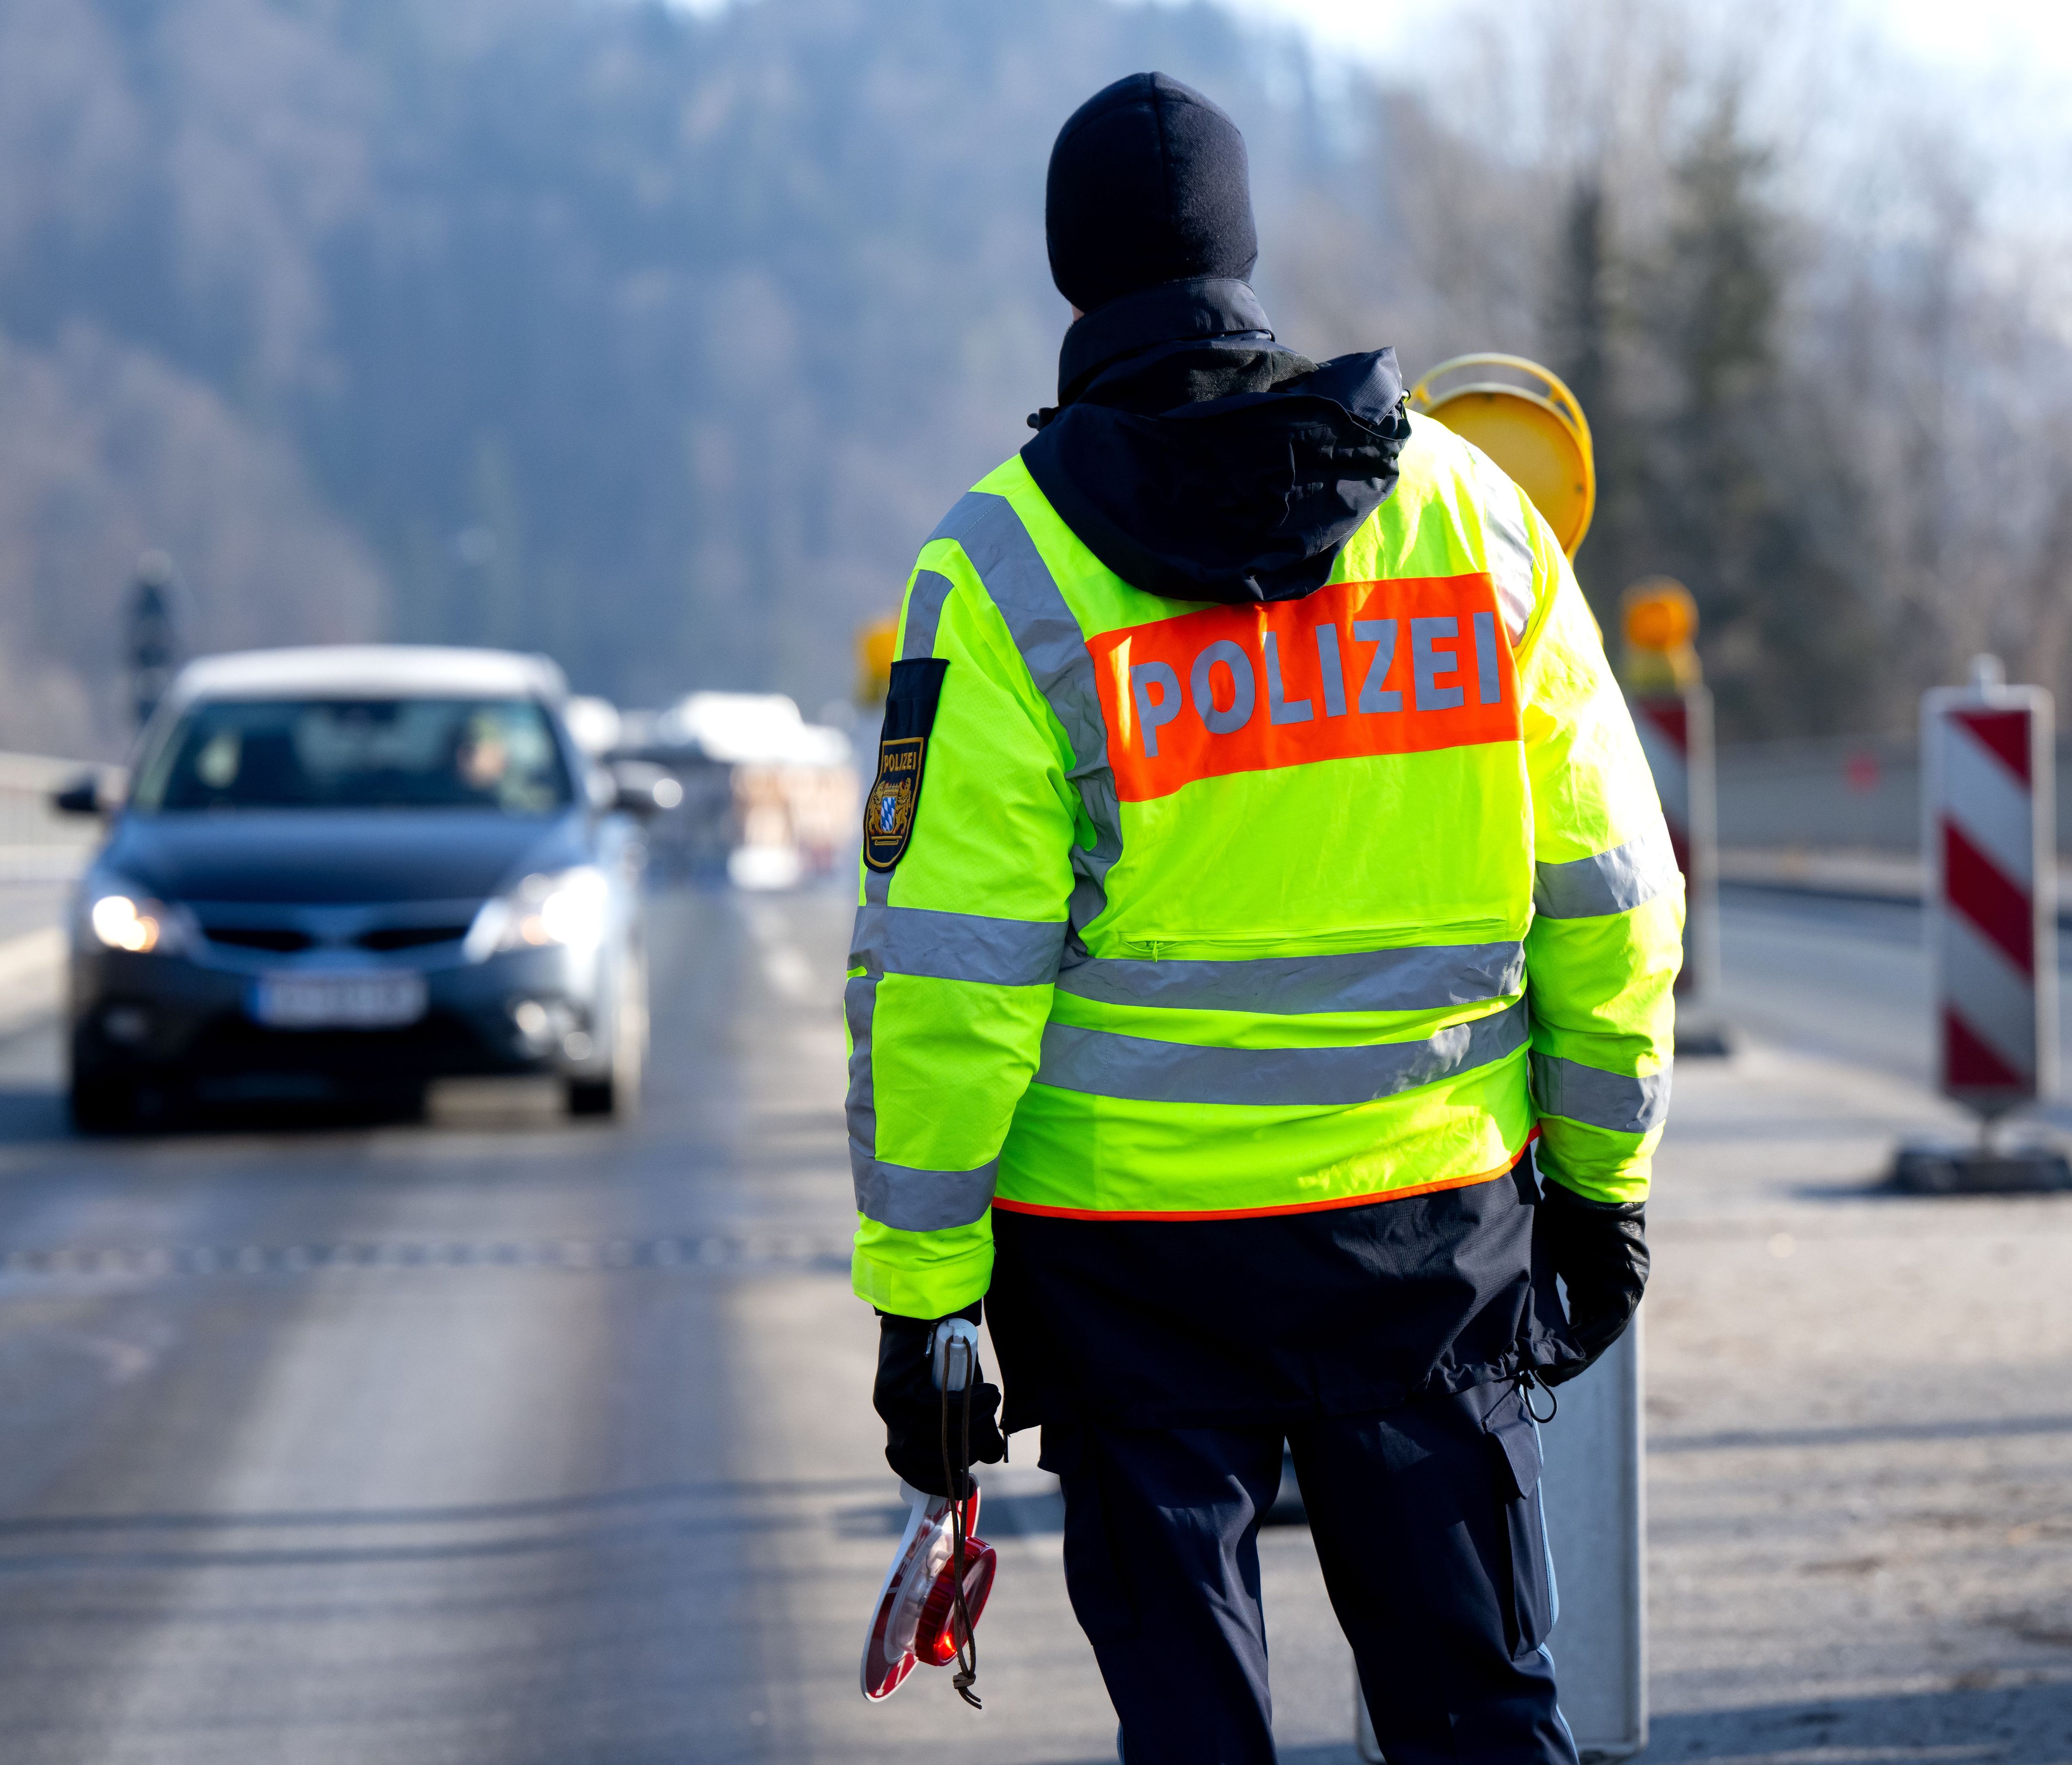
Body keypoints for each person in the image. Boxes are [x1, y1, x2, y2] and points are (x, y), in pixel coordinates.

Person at [851, 70, 1679, 1765]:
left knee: (1194, 1727)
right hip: (1427, 1237)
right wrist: (1603, 1189)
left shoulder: (1003, 572)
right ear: (1246, 253)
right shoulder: (1471, 522)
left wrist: (926, 1299)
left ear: (1073, 270)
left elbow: (949, 981)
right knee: (1479, 1715)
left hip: (1125, 1269)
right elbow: (1614, 890)